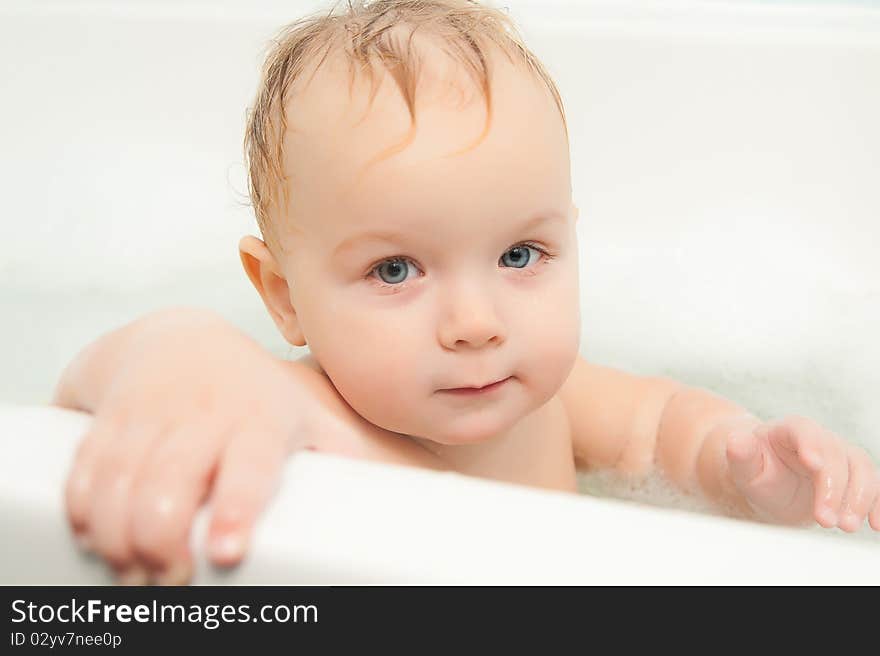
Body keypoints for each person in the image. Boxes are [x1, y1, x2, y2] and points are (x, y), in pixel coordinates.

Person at [51, 0, 880, 586]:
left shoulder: (549, 399)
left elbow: (659, 429)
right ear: (283, 295)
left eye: (521, 253)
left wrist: (744, 466)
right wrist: (185, 347)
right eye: (396, 271)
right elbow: (101, 377)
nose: (478, 324)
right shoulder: (296, 416)